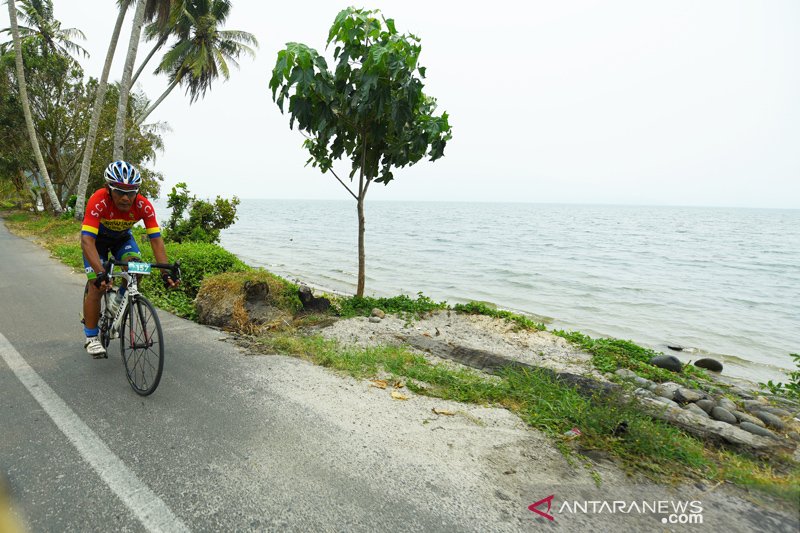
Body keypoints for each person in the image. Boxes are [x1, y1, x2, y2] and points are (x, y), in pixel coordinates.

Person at [81, 161, 179, 357]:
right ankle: (91, 337)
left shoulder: (143, 205)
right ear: (109, 189)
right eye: (119, 191)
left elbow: (156, 241)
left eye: (131, 192)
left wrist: (165, 271)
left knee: (137, 268)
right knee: (96, 285)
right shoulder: (98, 200)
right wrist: (100, 273)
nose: (126, 198)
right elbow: (86, 241)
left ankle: (118, 301)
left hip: (122, 240)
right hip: (96, 242)